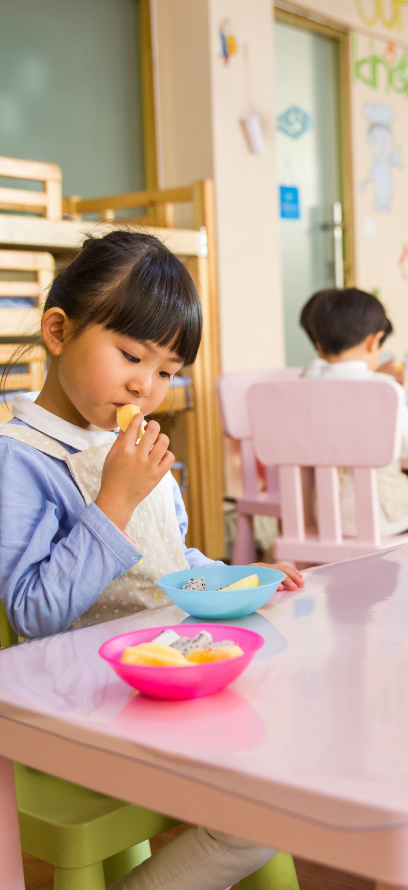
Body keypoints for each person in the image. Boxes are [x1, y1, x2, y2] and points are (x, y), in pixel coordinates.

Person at [0, 231, 302, 890]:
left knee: (298, 722)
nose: (147, 384)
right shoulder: (19, 459)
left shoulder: (129, 444)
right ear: (58, 330)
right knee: (272, 801)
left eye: (166, 371)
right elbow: (32, 612)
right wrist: (113, 500)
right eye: (131, 355)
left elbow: (168, 559)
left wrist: (239, 579)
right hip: (83, 702)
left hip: (160, 671)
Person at [301, 287, 408, 538]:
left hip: (326, 516)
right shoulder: (383, 388)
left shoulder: (304, 388)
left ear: (318, 346)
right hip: (384, 516)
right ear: (374, 340)